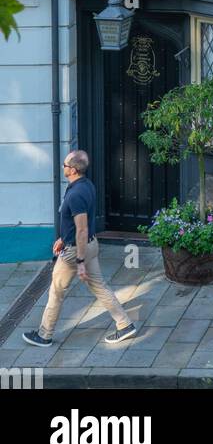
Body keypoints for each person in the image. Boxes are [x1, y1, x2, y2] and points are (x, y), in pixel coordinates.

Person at [22, 149, 136, 347]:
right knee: (100, 287)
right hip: (89, 244)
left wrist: (80, 261)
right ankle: (125, 324)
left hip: (77, 251)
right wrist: (63, 238)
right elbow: (76, 226)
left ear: (73, 170)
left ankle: (44, 335)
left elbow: (81, 229)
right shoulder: (85, 185)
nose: (63, 167)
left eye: (65, 165)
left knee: (56, 291)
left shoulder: (76, 194)